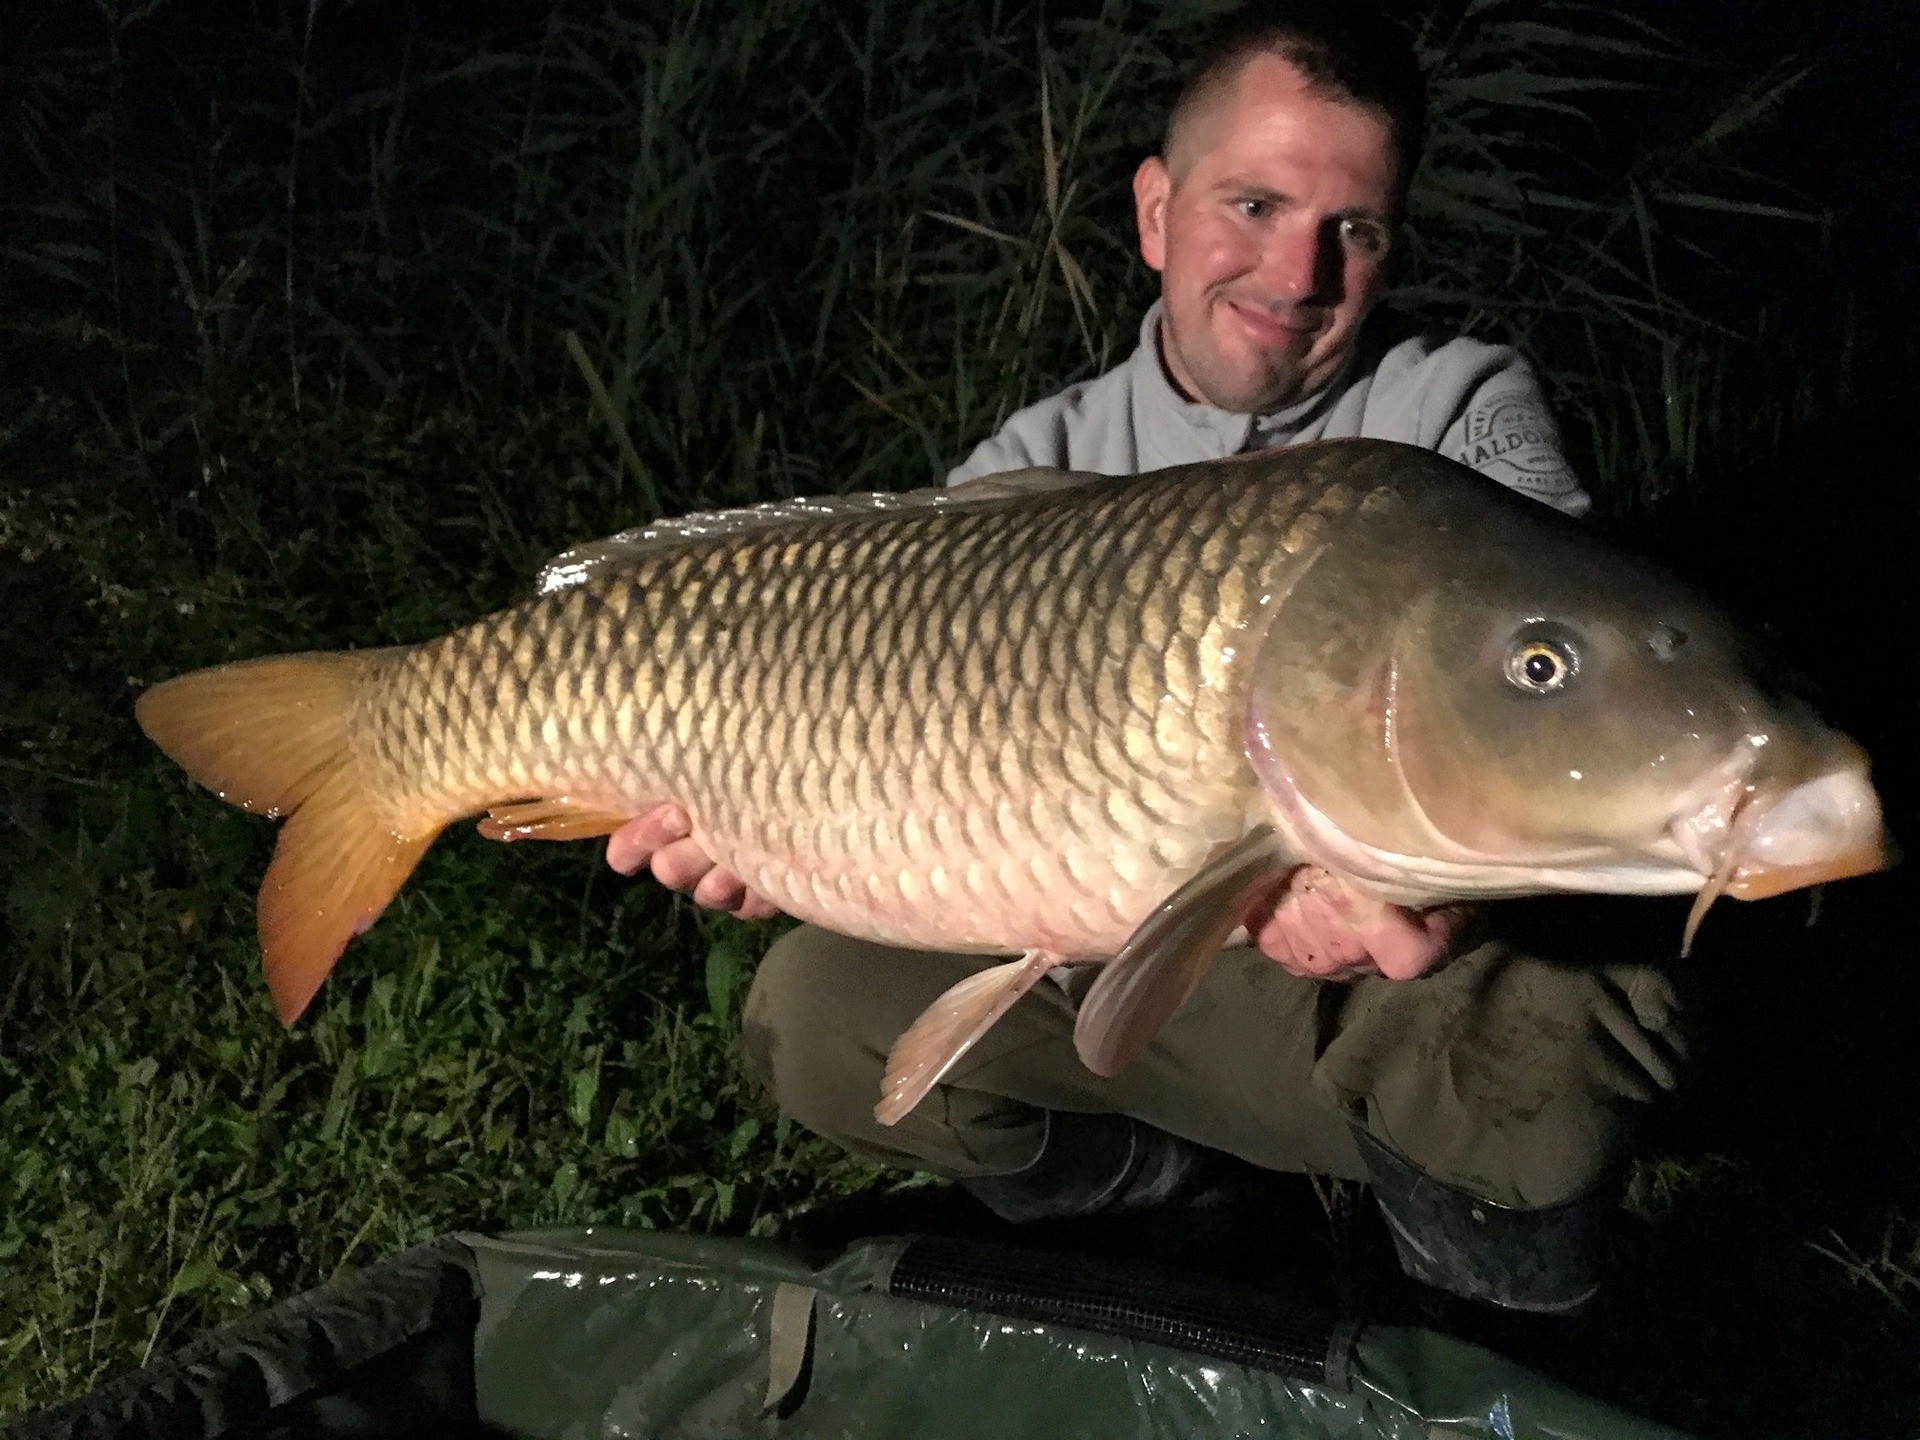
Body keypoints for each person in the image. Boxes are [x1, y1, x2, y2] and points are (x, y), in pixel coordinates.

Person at [600, 2, 1685, 1314]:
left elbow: (1553, 705)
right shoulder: (1023, 466)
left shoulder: (1455, 413)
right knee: (815, 1006)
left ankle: (1468, 1318)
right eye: (1253, 208)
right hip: (1112, 971)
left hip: (1372, 993)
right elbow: (905, 788)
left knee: (1552, 1052)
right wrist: (760, 819)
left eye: (1356, 228)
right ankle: (1191, 1224)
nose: (1299, 275)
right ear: (1156, 213)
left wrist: (1437, 896)